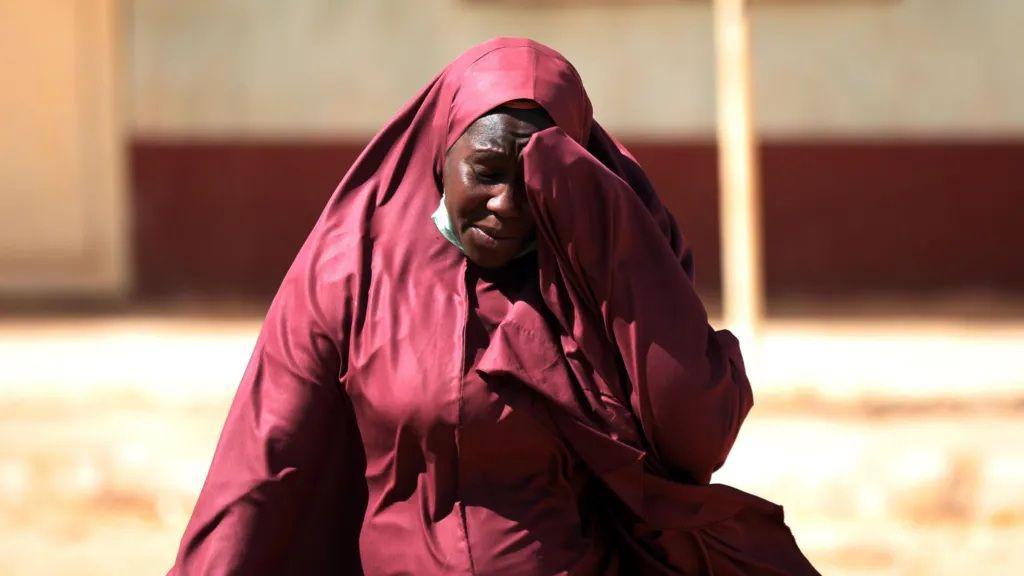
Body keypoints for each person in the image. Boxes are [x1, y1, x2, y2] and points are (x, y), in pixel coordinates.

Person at [169, 37, 817, 575]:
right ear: (440, 154)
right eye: (485, 171)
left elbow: (696, 431)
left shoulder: (604, 276)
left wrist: (613, 236)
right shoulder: (352, 271)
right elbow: (262, 465)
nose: (507, 204)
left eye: (535, 179)